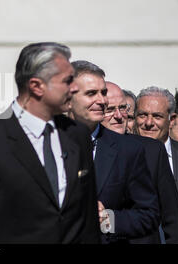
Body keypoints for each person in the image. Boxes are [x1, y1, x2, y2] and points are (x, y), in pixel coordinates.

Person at [0, 42, 100, 243]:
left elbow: (88, 223)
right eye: (68, 81)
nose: (75, 87)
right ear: (36, 86)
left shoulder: (77, 135)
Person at [68, 61, 159, 243]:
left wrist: (107, 219)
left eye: (103, 93)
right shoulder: (39, 142)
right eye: (91, 93)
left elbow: (149, 215)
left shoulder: (128, 150)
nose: (102, 100)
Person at [102, 82, 178, 244]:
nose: (117, 115)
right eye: (109, 110)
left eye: (122, 109)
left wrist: (107, 220)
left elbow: (170, 217)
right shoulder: (78, 145)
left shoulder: (151, 150)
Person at [135, 87, 178, 212]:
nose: (149, 122)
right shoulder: (120, 153)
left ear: (171, 120)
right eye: (142, 115)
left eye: (157, 116)